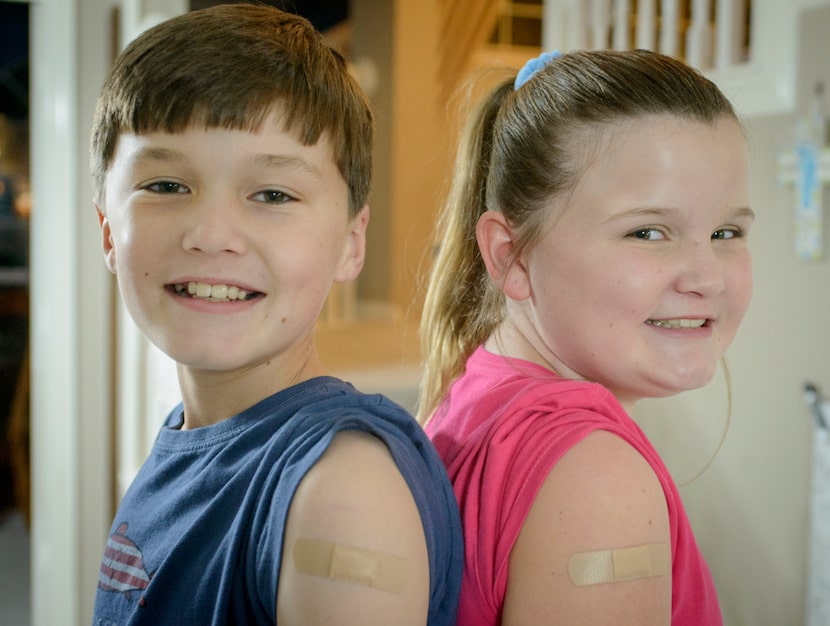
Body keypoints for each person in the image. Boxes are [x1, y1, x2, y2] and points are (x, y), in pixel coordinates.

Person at [89, 5, 462, 625]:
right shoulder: (188, 435)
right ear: (107, 230)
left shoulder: (341, 492)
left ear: (351, 242)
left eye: (272, 195)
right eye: (166, 186)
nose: (211, 234)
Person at [418, 48, 754, 625]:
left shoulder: (478, 393)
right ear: (511, 256)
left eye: (726, 231)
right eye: (648, 231)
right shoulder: (596, 481)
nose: (707, 277)